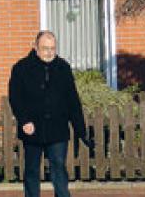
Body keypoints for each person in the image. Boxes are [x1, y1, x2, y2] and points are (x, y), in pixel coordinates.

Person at [8, 30, 91, 197]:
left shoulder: (63, 68)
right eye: (45, 48)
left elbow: (72, 101)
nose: (49, 52)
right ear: (35, 47)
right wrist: (24, 121)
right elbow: (15, 98)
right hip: (31, 128)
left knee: (59, 167)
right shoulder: (21, 68)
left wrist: (81, 130)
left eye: (53, 48)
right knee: (31, 170)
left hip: (58, 129)